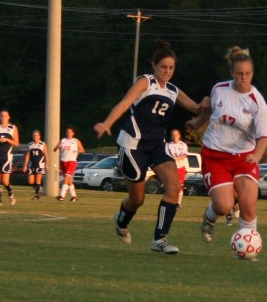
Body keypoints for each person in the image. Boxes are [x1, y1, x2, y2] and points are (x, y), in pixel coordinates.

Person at [93, 40, 207, 255]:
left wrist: (210, 102)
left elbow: (196, 108)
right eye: (163, 66)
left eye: (171, 67)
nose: (167, 71)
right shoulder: (146, 81)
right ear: (154, 65)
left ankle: (160, 239)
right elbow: (125, 102)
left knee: (174, 187)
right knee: (137, 200)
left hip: (156, 146)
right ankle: (121, 219)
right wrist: (107, 123)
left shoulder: (173, 90)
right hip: (133, 146)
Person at [188, 46, 267, 253]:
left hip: (244, 158)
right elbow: (210, 111)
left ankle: (249, 248)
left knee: (248, 205)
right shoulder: (219, 89)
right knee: (224, 205)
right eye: (239, 74)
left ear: (252, 74)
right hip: (215, 155)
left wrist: (256, 156)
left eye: (247, 74)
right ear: (232, 73)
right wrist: (196, 123)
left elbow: (264, 135)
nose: (243, 78)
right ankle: (209, 218)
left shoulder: (256, 100)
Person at [53, 126, 85, 201]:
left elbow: (83, 149)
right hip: (63, 161)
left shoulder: (75, 141)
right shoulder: (63, 140)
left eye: (70, 132)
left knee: (66, 178)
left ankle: (62, 196)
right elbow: (55, 149)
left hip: (71, 161)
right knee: (69, 180)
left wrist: (79, 151)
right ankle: (74, 196)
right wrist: (58, 146)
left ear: (73, 133)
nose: (69, 133)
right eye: (67, 132)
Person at [23, 130, 49, 200]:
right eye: (34, 136)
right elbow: (28, 155)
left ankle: (36, 195)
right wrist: (25, 165)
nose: (35, 137)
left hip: (40, 165)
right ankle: (38, 189)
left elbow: (46, 155)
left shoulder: (42, 144)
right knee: (30, 181)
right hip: (32, 164)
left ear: (39, 136)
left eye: (37, 136)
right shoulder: (30, 145)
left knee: (38, 180)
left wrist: (47, 164)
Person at [167, 128, 188, 207]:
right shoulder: (169, 145)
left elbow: (184, 155)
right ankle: (171, 201)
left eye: (176, 134)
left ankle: (178, 202)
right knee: (172, 185)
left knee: (179, 186)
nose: (174, 136)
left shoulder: (183, 145)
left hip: (180, 168)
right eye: (173, 135)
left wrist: (176, 159)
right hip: (171, 168)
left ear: (179, 135)